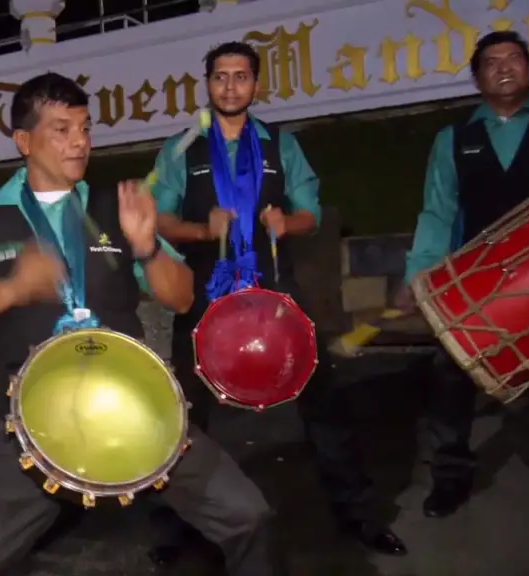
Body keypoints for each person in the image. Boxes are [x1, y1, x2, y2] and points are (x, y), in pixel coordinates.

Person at [0, 71, 285, 576]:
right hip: (37, 422)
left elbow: (181, 299)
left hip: (135, 408)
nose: (79, 142)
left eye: (85, 128)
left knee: (248, 515)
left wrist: (148, 246)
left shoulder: (116, 208)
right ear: (23, 140)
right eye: (61, 129)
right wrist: (13, 288)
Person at [149, 41, 406, 558]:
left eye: (240, 77)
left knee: (322, 402)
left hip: (275, 289)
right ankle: (180, 524)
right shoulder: (182, 148)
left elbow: (310, 210)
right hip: (205, 295)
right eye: (220, 77)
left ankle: (357, 514)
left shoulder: (280, 145)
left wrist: (288, 222)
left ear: (256, 85)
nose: (229, 86)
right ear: (208, 84)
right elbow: (158, 219)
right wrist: (202, 229)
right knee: (186, 414)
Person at [396, 30, 529, 519]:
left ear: (528, 67)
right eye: (492, 62)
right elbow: (437, 212)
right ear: (477, 77)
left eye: (514, 59)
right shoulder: (454, 140)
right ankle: (450, 476)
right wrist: (419, 277)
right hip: (475, 284)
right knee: (449, 379)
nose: (504, 67)